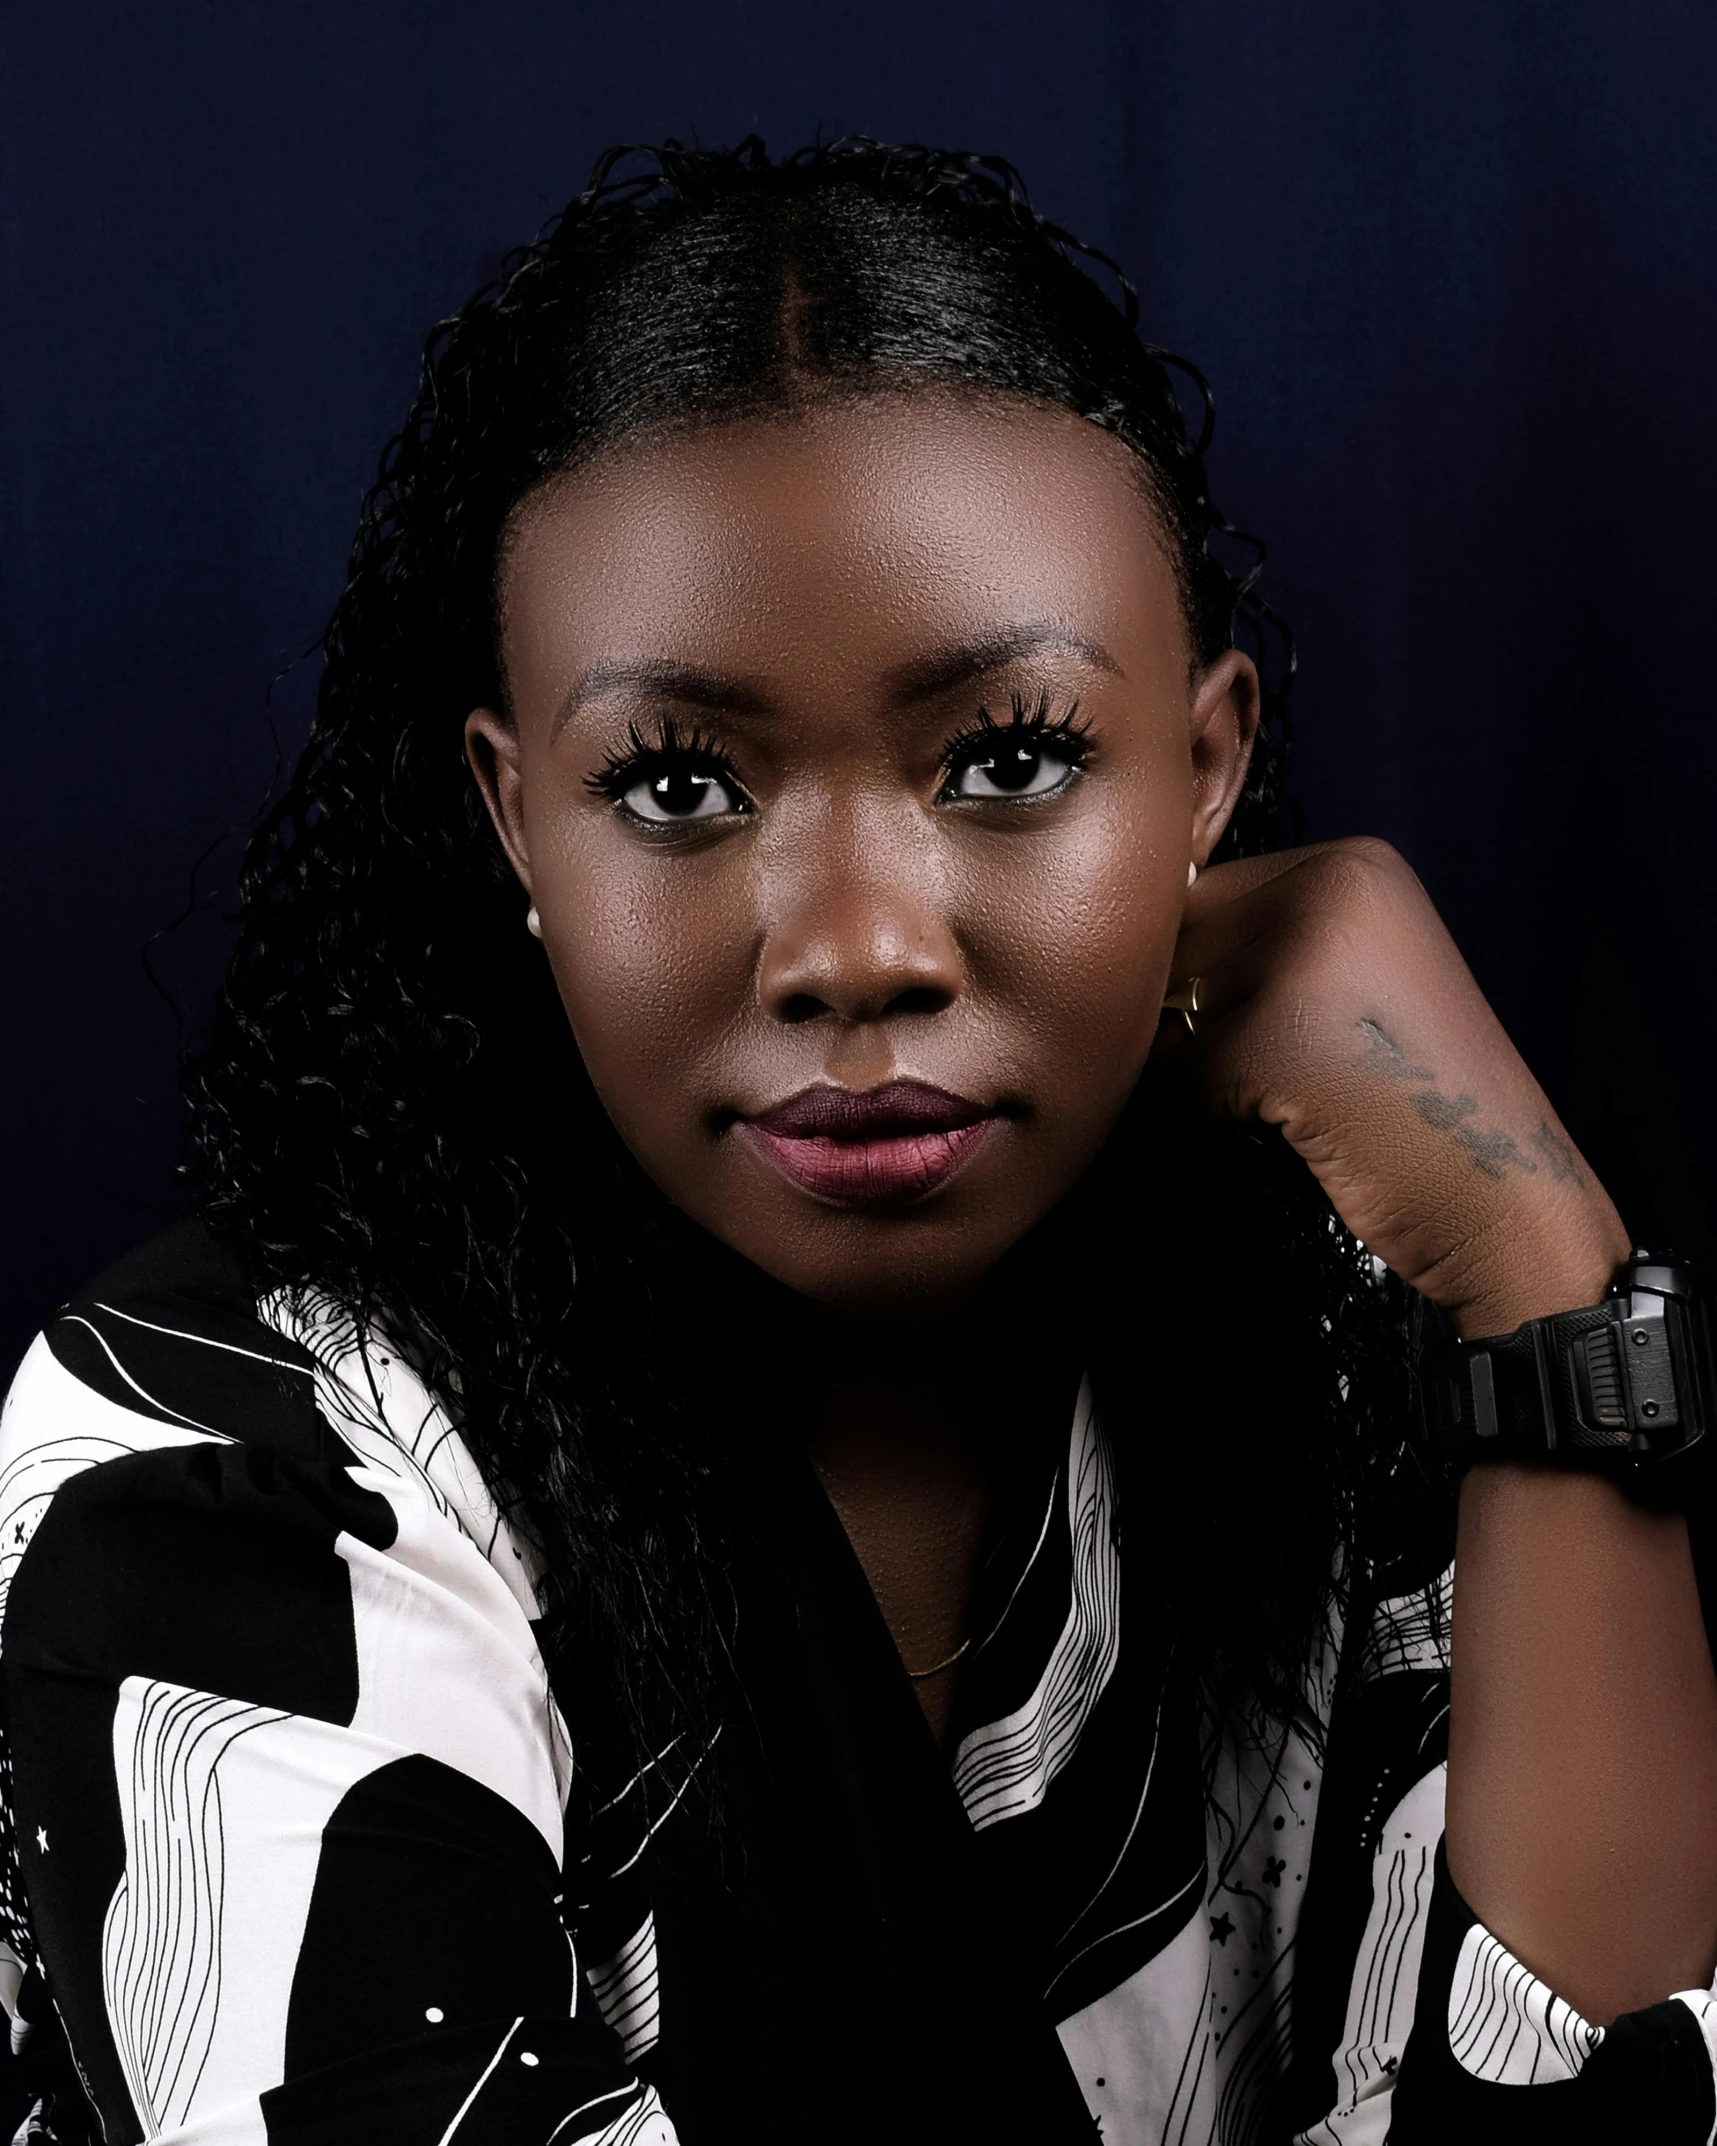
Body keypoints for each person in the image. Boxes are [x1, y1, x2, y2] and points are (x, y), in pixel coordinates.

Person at [2, 136, 1715, 2146]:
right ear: (510, 819)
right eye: (677, 781)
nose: (856, 949)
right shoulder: (227, 1478)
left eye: (1007, 757)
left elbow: (1608, 2109)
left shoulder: (1365, 1361)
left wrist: (1536, 1273)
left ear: (1205, 767)